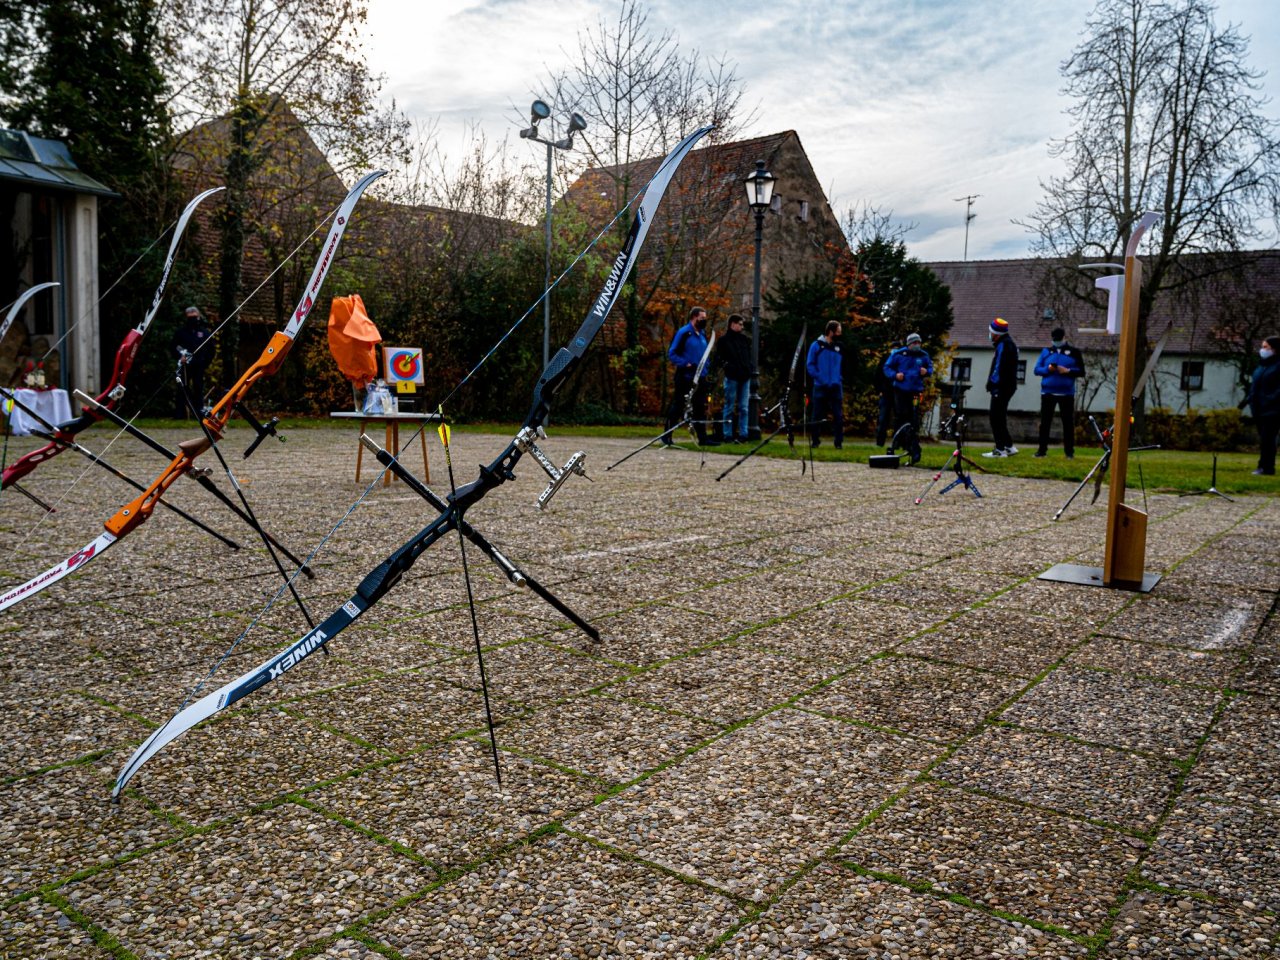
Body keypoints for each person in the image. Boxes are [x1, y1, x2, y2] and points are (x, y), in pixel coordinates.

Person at [1033, 326, 1086, 459]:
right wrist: (1048, 369)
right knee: (1045, 423)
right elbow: (1037, 370)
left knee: (1067, 424)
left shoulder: (1074, 352)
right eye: (1054, 339)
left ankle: (1069, 452)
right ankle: (1041, 451)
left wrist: (1068, 371)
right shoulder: (1046, 352)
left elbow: (1081, 372)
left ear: (1064, 338)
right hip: (1048, 392)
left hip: (1066, 394)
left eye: (1058, 339)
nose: (1056, 342)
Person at [883, 332, 933, 463]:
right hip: (901, 390)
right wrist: (895, 375)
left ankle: (913, 446)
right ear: (909, 344)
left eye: (919, 342)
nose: (917, 345)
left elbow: (930, 368)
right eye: (915, 343)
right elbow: (887, 367)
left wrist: (926, 372)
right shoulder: (898, 354)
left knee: (914, 417)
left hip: (915, 392)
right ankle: (898, 442)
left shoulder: (923, 355)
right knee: (901, 415)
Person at [665, 305, 710, 445]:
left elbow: (705, 355)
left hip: (700, 377)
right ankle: (667, 435)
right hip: (685, 376)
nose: (704, 321)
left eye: (705, 318)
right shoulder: (684, 333)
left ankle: (702, 438)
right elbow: (672, 353)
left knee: (700, 407)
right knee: (678, 405)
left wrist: (706, 368)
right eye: (702, 318)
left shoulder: (702, 335)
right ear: (694, 317)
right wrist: (685, 363)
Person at [983, 316, 1020, 457]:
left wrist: (993, 384)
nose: (990, 335)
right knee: (1001, 417)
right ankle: (1009, 446)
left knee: (995, 417)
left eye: (991, 332)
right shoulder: (1010, 344)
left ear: (996, 334)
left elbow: (999, 368)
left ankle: (1000, 449)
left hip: (1001, 387)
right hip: (1009, 386)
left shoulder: (1004, 345)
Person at [1243, 335, 1280, 475]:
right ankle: (1264, 465)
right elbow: (1255, 385)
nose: (1262, 350)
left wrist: (1270, 398)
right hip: (1259, 408)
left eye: (1266, 347)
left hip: (1273, 409)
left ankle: (1266, 467)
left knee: (1268, 438)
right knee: (1264, 438)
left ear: (1275, 349)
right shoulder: (1262, 366)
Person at [806, 320, 844, 448]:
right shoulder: (816, 345)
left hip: (835, 386)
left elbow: (843, 365)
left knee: (838, 415)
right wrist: (819, 377)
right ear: (831, 331)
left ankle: (838, 443)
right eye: (838, 330)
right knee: (817, 415)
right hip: (820, 385)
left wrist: (838, 378)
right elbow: (810, 364)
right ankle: (815, 441)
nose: (840, 333)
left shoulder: (839, 347)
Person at [716, 313, 752, 443]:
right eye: (740, 324)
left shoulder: (744, 340)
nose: (742, 327)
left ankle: (744, 434)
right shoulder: (723, 340)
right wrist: (728, 367)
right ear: (733, 324)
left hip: (744, 375)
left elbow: (748, 355)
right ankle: (727, 434)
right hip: (732, 376)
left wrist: (749, 368)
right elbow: (719, 358)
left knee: (744, 407)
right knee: (729, 406)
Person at [173, 305, 213, 417]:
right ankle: (180, 414)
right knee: (182, 388)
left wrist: (205, 364)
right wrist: (179, 357)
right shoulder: (181, 333)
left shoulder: (205, 333)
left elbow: (211, 350)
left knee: (198, 389)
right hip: (184, 366)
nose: (193, 320)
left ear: (199, 317)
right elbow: (173, 346)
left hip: (199, 366)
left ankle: (199, 414)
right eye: (190, 318)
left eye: (195, 317)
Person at [874, 340, 901, 446]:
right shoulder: (885, 359)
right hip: (885, 393)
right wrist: (879, 390)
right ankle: (880, 442)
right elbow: (877, 375)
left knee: (898, 419)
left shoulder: (901, 361)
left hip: (898, 392)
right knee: (883, 419)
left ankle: (897, 442)